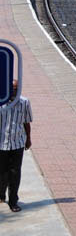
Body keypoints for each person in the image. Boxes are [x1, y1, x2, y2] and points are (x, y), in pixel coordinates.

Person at [0, 78, 33, 212]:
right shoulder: (1, 102)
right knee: (2, 172)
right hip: (1, 143)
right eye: (12, 89)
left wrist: (28, 139)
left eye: (16, 89)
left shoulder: (24, 102)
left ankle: (13, 201)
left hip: (17, 142)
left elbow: (27, 122)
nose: (14, 91)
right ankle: (1, 194)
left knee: (15, 172)